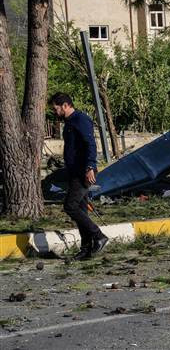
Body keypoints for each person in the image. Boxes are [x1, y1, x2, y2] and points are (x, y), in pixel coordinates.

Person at [50, 92, 108, 260]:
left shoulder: (80, 119)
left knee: (70, 206)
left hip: (84, 172)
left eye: (56, 108)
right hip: (74, 171)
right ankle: (86, 249)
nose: (55, 112)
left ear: (65, 105)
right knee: (81, 210)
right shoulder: (69, 122)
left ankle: (99, 235)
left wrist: (90, 167)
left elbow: (90, 144)